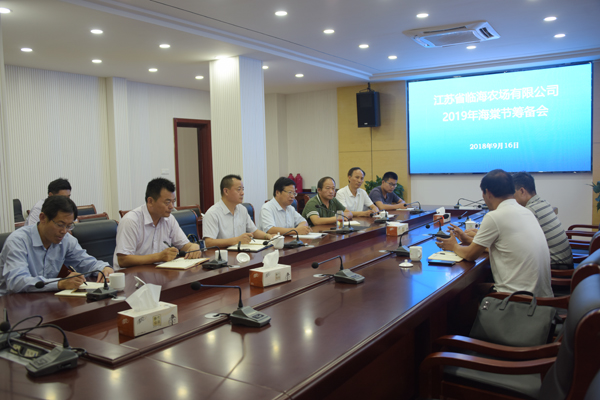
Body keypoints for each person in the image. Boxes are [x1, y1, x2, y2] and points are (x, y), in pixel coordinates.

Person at [436, 169, 553, 297]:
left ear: (488, 193)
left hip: (518, 300)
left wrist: (454, 246)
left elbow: (470, 255)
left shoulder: (495, 216)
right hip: (542, 298)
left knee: (465, 294)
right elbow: (506, 247)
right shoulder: (526, 211)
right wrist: (468, 240)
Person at [0, 196, 113, 294]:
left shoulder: (66, 240)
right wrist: (59, 283)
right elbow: (17, 282)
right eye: (60, 224)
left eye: (69, 226)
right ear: (43, 218)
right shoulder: (18, 241)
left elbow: (85, 262)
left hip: (44, 299)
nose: (64, 231)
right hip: (11, 303)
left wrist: (104, 268)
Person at [114, 178, 201, 269]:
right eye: (167, 202)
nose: (171, 207)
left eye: (173, 202)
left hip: (158, 272)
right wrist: (158, 257)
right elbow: (123, 260)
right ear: (150, 201)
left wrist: (193, 246)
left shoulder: (169, 219)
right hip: (132, 275)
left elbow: (184, 245)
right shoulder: (131, 221)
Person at [513, 172, 573, 269]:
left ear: (522, 191)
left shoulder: (530, 211)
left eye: (513, 194)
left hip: (556, 267)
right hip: (565, 262)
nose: (512, 198)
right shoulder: (543, 202)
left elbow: (517, 245)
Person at [203, 174, 272, 247]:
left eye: (243, 189)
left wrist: (268, 236)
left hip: (242, 252)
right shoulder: (212, 213)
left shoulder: (242, 209)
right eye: (239, 189)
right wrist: (237, 240)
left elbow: (254, 231)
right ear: (226, 191)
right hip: (223, 253)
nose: (242, 193)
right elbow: (209, 243)